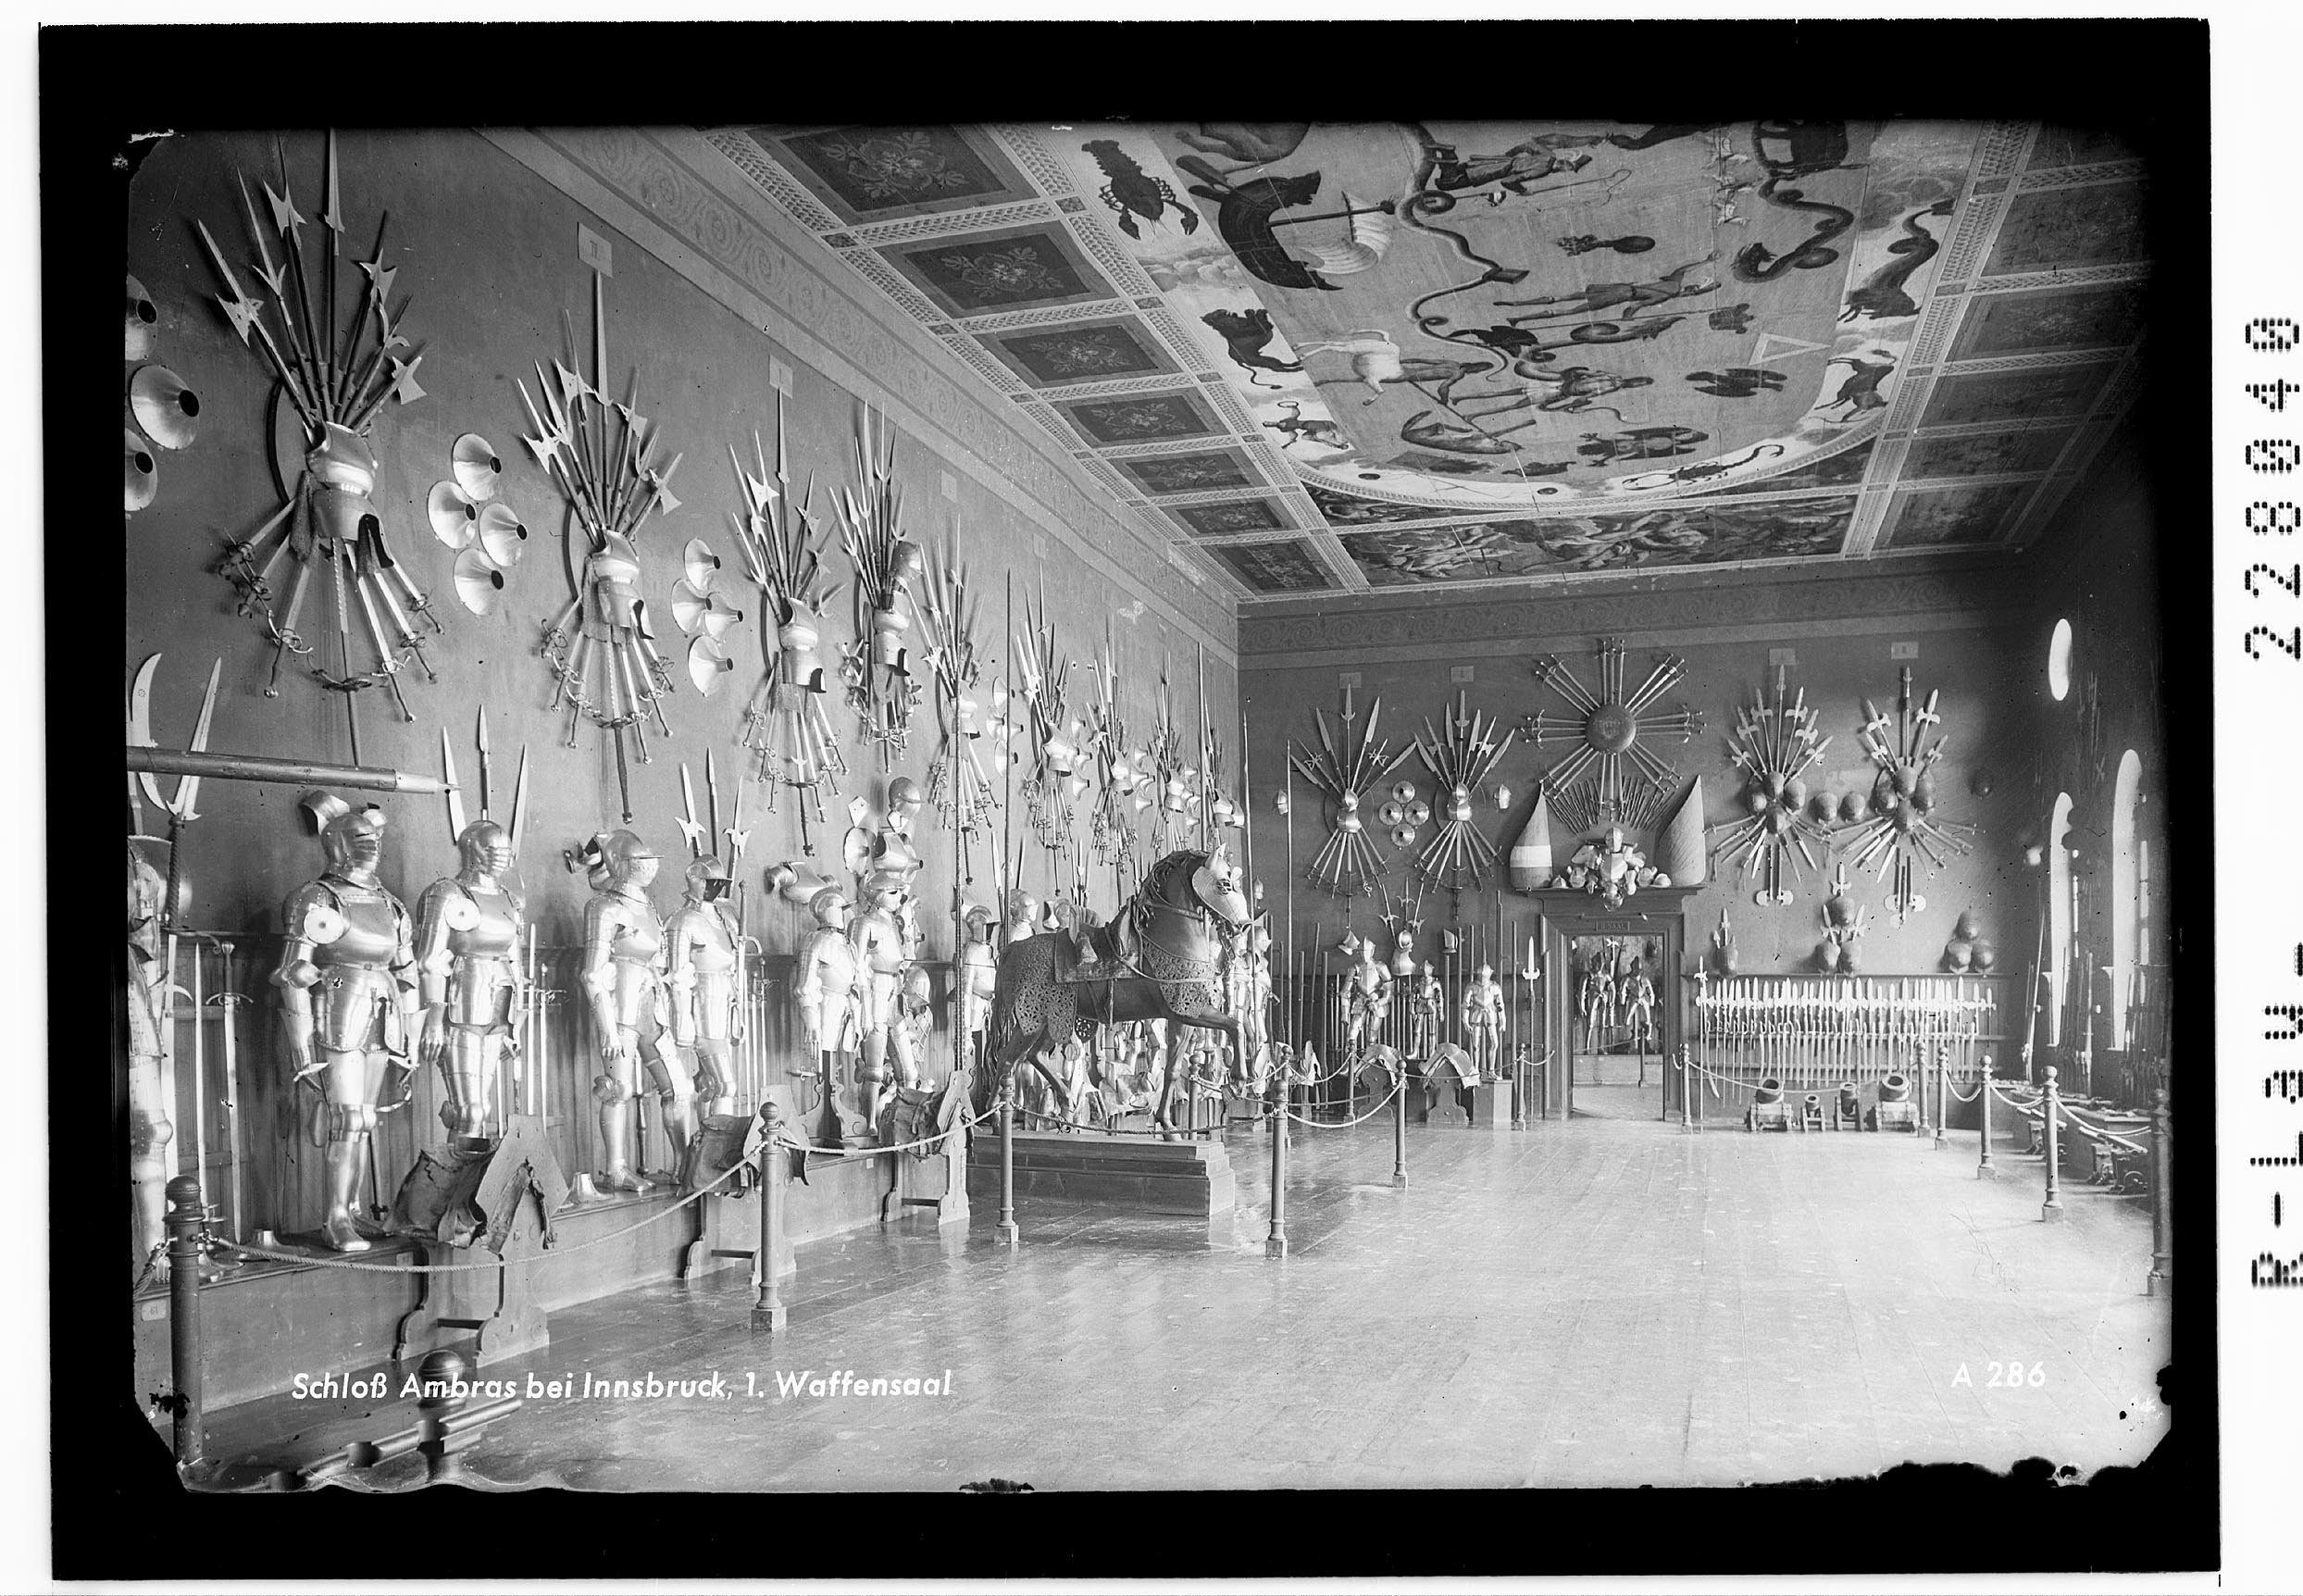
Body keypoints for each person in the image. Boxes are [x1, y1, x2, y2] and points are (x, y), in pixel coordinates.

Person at [273, 793, 418, 1251]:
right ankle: (335, 1217)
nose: (369, 844)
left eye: (373, 837)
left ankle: (353, 1209)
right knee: (349, 1118)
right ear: (336, 843)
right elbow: (294, 973)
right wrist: (302, 1049)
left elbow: (408, 974)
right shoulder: (318, 897)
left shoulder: (391, 904)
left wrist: (412, 1041)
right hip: (338, 1008)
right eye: (358, 837)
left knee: (365, 1118)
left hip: (383, 1011)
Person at [414, 814, 525, 1153]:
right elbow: (430, 960)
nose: (501, 856)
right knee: (469, 1111)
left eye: (505, 849)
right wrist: (434, 1021)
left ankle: (469, 1181)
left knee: (482, 1109)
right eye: (492, 849)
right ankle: (455, 1183)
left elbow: (516, 964)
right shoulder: (446, 893)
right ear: (472, 849)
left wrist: (515, 1026)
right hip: (459, 1010)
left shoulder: (510, 898)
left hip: (498, 1012)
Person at [579, 829, 674, 1193]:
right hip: (618, 1005)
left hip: (650, 1002)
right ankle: (616, 1168)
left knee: (675, 1086)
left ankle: (679, 1163)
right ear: (619, 862)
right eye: (639, 860)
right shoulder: (604, 907)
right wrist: (607, 1028)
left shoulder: (648, 907)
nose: (648, 866)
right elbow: (592, 973)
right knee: (618, 1089)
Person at [664, 854, 741, 1136]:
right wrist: (682, 1017)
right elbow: (677, 975)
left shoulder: (724, 918)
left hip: (725, 1000)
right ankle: (719, 1149)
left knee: (709, 1083)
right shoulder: (683, 920)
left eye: (720, 883)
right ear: (696, 881)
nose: (716, 888)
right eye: (711, 882)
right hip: (702, 1000)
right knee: (725, 1085)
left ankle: (706, 1148)